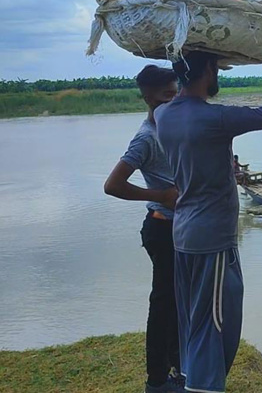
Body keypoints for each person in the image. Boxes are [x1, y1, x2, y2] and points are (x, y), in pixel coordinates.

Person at [155, 13, 262, 393]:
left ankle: (193, 382)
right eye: (217, 69)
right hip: (212, 239)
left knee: (195, 323)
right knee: (216, 328)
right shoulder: (216, 119)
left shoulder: (163, 115)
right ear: (208, 70)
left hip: (184, 234)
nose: (219, 77)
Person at [103, 65, 183, 393]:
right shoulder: (146, 138)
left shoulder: (172, 128)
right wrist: (160, 195)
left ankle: (178, 370)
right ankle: (157, 381)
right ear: (148, 97)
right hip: (162, 229)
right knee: (163, 305)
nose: (174, 99)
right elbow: (113, 185)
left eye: (177, 92)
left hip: (179, 230)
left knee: (179, 303)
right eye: (167, 95)